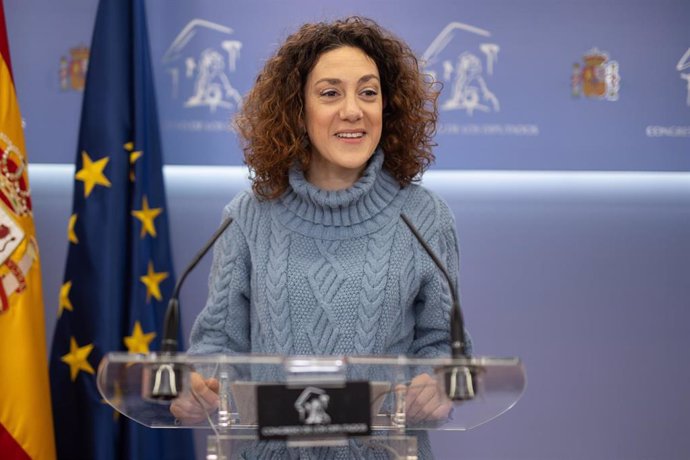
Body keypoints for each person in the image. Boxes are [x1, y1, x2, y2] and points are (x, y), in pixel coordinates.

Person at [171, 16, 468, 458]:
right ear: (297, 109)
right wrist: (199, 384)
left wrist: (439, 382)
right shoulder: (247, 216)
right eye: (330, 93)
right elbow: (219, 345)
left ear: (388, 107)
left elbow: (445, 346)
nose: (353, 110)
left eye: (369, 92)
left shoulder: (424, 217)